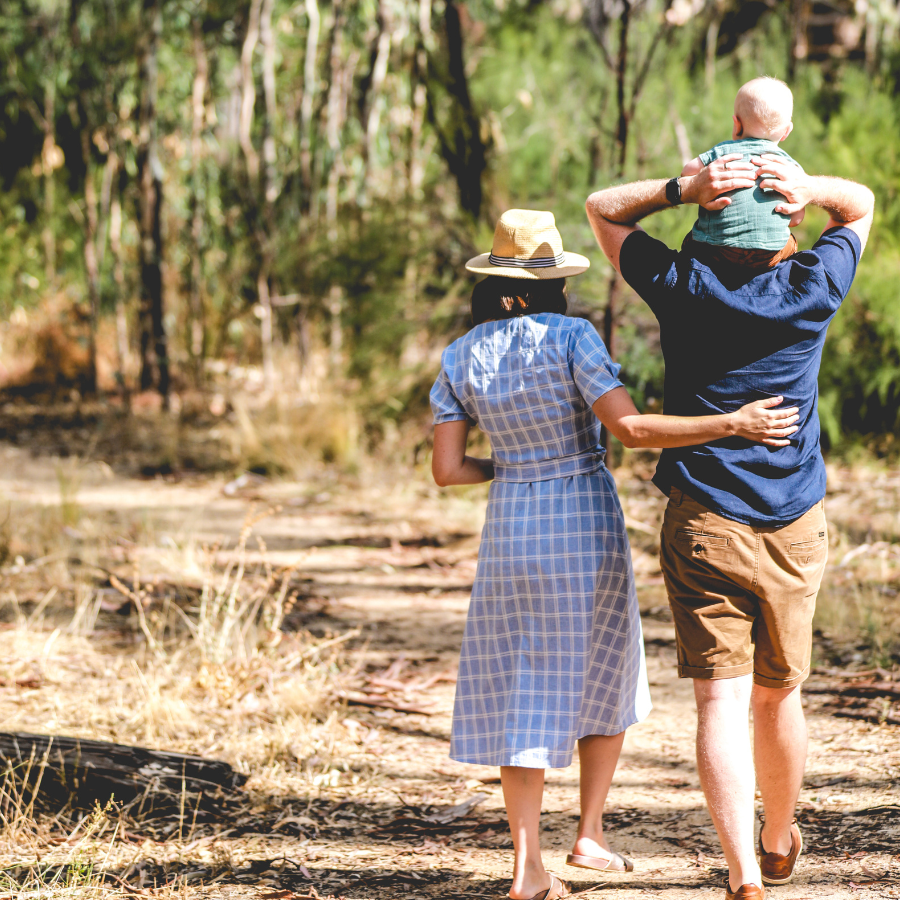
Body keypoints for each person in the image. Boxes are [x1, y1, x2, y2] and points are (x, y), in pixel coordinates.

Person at [430, 208, 800, 900]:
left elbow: (447, 470)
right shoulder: (572, 337)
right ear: (550, 284)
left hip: (510, 528)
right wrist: (733, 423)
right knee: (605, 668)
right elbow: (629, 429)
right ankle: (589, 835)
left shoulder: (459, 356)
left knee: (522, 685)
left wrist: (516, 467)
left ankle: (527, 866)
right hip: (581, 520)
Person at [585, 154, 874, 900]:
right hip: (793, 522)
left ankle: (744, 875)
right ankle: (777, 841)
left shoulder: (683, 283)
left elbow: (602, 208)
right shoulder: (814, 285)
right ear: (787, 234)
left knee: (719, 701)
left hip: (705, 519)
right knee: (779, 695)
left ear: (707, 231)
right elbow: (861, 204)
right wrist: (809, 190)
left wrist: (682, 189)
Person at [681, 76, 805, 271]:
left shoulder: (722, 152)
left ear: (737, 124)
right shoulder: (790, 167)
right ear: (786, 131)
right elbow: (796, 219)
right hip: (768, 254)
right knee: (790, 242)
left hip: (716, 249)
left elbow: (686, 173)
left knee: (691, 240)